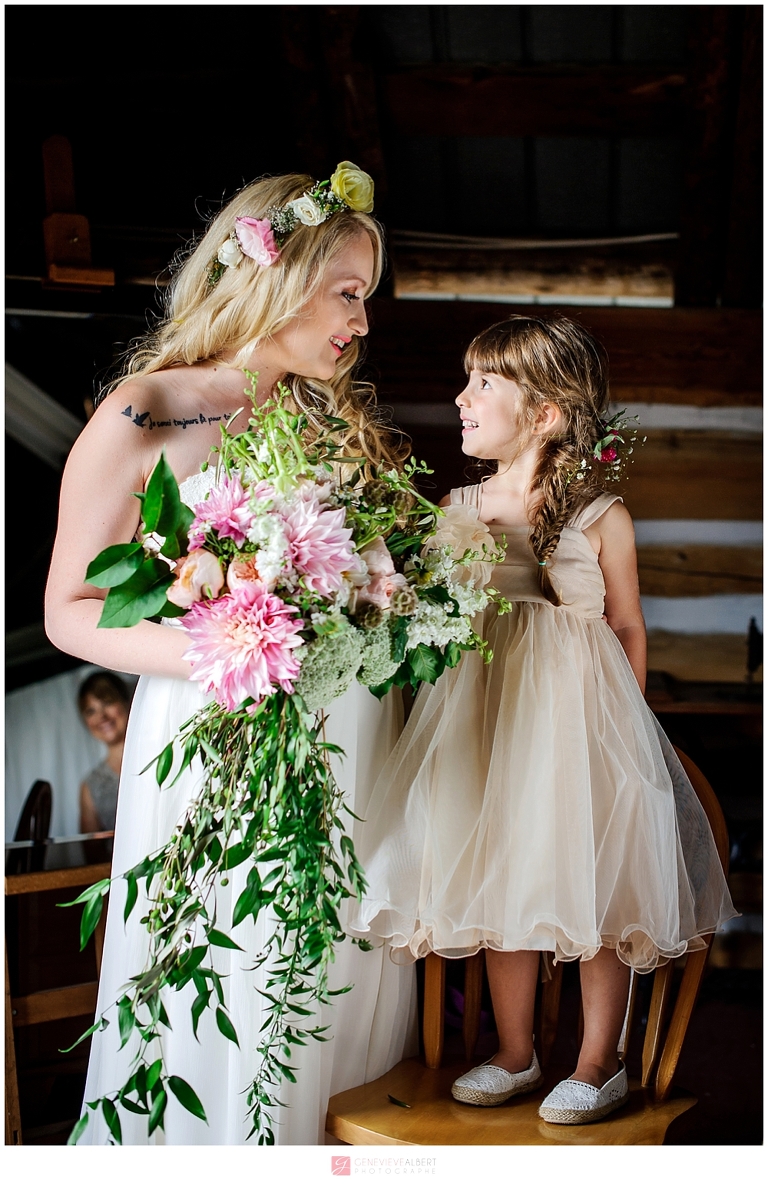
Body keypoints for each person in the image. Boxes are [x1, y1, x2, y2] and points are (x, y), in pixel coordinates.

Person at [44, 168, 417, 1144]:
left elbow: (376, 587)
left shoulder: (334, 428)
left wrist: (383, 606)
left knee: (336, 996)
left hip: (346, 765)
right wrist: (225, 651)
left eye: (366, 298)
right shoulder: (147, 410)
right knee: (233, 988)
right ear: (277, 272)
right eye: (348, 292)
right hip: (216, 749)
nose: (362, 322)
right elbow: (70, 612)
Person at [348, 315, 736, 1126]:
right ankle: (515, 1051)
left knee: (592, 888)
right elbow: (437, 613)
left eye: (483, 382)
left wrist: (624, 730)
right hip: (486, 719)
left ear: (547, 413)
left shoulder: (600, 513)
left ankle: (600, 1060)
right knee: (501, 877)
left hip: (576, 725)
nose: (462, 397)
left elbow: (626, 624)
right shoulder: (458, 506)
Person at [77, 671, 131, 835]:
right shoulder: (90, 787)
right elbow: (92, 854)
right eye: (90, 711)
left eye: (107, 702)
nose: (102, 716)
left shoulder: (163, 755)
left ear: (126, 703)